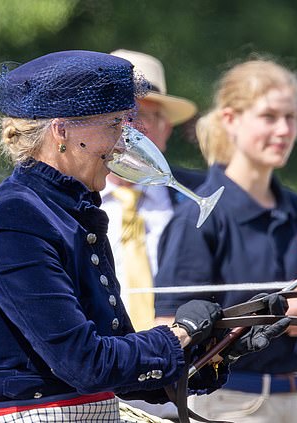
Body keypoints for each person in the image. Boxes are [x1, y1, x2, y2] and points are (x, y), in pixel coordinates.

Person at [0, 50, 243, 423]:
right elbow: (84, 363)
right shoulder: (15, 216)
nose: (123, 142)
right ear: (62, 130)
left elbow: (117, 365)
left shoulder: (72, 209)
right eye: (114, 124)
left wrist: (216, 348)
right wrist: (178, 334)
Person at [154, 57, 297, 423]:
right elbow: (169, 325)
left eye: (291, 117)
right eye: (269, 117)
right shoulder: (199, 217)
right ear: (230, 120)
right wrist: (272, 318)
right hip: (229, 404)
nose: (284, 130)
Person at [100, 49, 204, 332]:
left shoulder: (199, 196)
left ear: (165, 128)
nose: (130, 131)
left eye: (141, 117)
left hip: (186, 359)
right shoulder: (69, 200)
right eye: (119, 118)